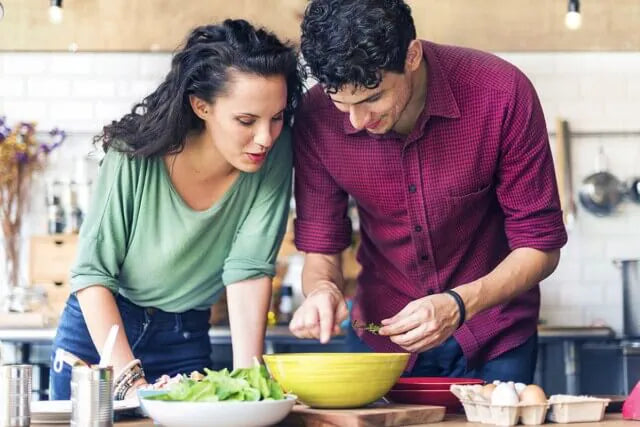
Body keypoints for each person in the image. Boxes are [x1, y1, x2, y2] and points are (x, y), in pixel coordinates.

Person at [289, 0, 567, 383]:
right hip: (381, 339)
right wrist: (322, 289)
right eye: (341, 102)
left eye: (373, 98)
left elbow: (541, 246)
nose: (357, 120)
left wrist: (458, 304)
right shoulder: (314, 116)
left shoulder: (500, 92)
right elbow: (321, 247)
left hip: (494, 335)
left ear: (413, 55)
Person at [49, 19, 303, 400]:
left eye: (277, 117)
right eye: (246, 121)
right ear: (201, 105)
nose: (265, 137)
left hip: (185, 338)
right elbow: (92, 273)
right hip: (101, 336)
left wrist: (252, 382)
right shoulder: (134, 155)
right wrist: (129, 380)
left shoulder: (274, 154)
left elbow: (249, 270)